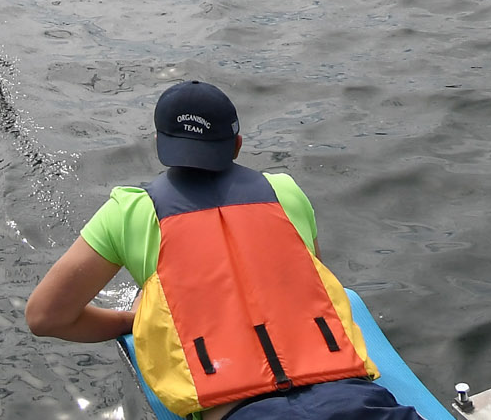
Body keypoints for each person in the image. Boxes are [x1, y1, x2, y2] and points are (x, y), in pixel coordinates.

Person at [25, 81, 420, 420]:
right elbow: (307, 280)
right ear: (236, 144)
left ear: (161, 145)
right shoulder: (285, 192)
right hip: (357, 400)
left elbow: (46, 317)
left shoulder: (129, 211)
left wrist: (134, 322)